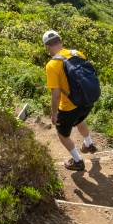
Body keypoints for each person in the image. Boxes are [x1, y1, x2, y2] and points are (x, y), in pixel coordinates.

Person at [43, 30, 98, 171]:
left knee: (62, 134)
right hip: (86, 101)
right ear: (61, 41)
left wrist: (54, 114)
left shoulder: (52, 65)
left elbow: (55, 95)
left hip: (68, 107)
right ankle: (89, 143)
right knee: (80, 120)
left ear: (47, 47)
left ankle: (78, 161)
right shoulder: (77, 53)